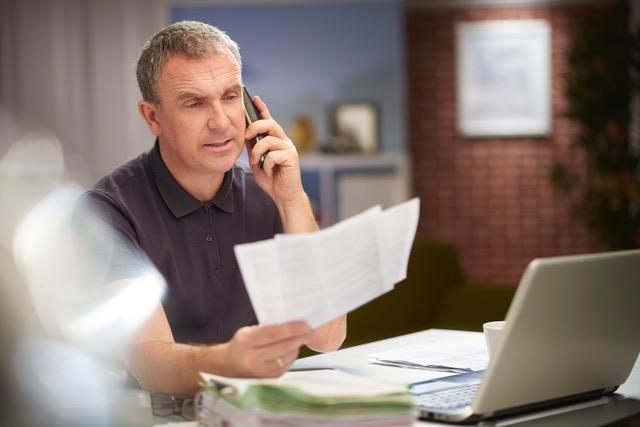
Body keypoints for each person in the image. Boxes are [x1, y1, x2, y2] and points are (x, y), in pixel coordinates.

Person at [79, 20, 346, 397]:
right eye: (194, 102)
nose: (221, 123)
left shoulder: (268, 196)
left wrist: (291, 198)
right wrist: (231, 361)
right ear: (152, 117)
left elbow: (327, 335)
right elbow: (151, 365)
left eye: (230, 96)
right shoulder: (105, 212)